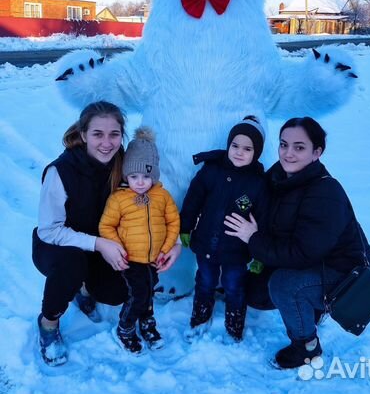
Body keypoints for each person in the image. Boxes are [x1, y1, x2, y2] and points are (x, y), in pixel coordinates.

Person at [32, 101, 181, 366]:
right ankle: (48, 323)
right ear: (83, 134)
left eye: (114, 134)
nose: (106, 143)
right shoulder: (61, 171)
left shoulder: (125, 163)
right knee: (72, 265)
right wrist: (99, 244)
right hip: (58, 247)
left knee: (117, 292)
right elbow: (49, 230)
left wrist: (174, 243)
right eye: (97, 134)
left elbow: (156, 201)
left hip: (105, 244)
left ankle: (85, 287)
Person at [224, 116, 370, 369]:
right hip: (309, 260)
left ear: (317, 152)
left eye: (299, 147)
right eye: (283, 145)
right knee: (255, 293)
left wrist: (253, 238)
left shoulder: (326, 192)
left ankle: (307, 346)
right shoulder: (280, 175)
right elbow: (256, 200)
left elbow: (302, 253)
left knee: (283, 285)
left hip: (343, 274)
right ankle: (310, 306)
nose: (288, 153)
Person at [180, 116, 269, 342]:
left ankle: (234, 320)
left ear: (256, 152)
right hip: (206, 243)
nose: (239, 152)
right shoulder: (211, 170)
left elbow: (264, 219)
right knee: (205, 281)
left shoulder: (258, 183)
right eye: (235, 146)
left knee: (234, 286)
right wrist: (186, 227)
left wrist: (260, 253)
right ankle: (200, 315)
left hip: (237, 252)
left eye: (247, 148)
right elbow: (193, 200)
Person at [99, 127, 180, 353]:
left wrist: (165, 249)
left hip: (154, 258)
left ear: (154, 174)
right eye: (134, 177)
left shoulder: (162, 196)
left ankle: (146, 322)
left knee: (149, 289)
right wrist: (118, 248)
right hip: (131, 259)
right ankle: (125, 327)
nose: (141, 182)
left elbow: (173, 222)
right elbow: (106, 226)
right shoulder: (119, 199)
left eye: (146, 176)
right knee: (139, 294)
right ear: (126, 175)